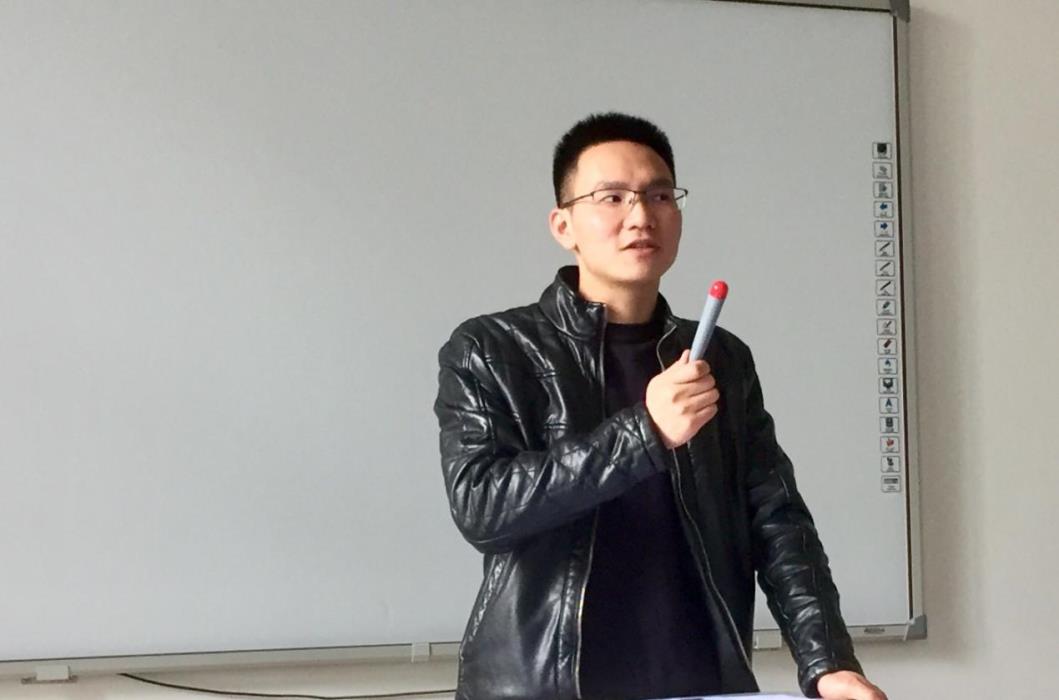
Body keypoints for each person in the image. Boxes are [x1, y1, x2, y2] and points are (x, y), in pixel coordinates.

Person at [434, 112, 887, 700]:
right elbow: (482, 507)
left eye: (659, 195)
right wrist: (645, 431)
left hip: (700, 682)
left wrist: (829, 664)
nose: (641, 216)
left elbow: (777, 522)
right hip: (544, 685)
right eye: (612, 197)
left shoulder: (720, 356)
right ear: (564, 225)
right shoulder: (492, 348)